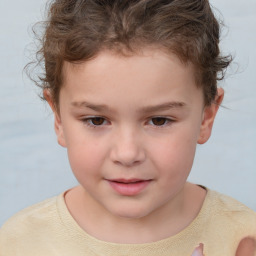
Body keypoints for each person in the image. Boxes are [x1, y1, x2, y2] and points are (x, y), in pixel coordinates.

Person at [0, 0, 255, 255]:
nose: (127, 154)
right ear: (58, 118)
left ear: (205, 118)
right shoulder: (18, 244)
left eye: (159, 120)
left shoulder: (243, 238)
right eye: (96, 120)